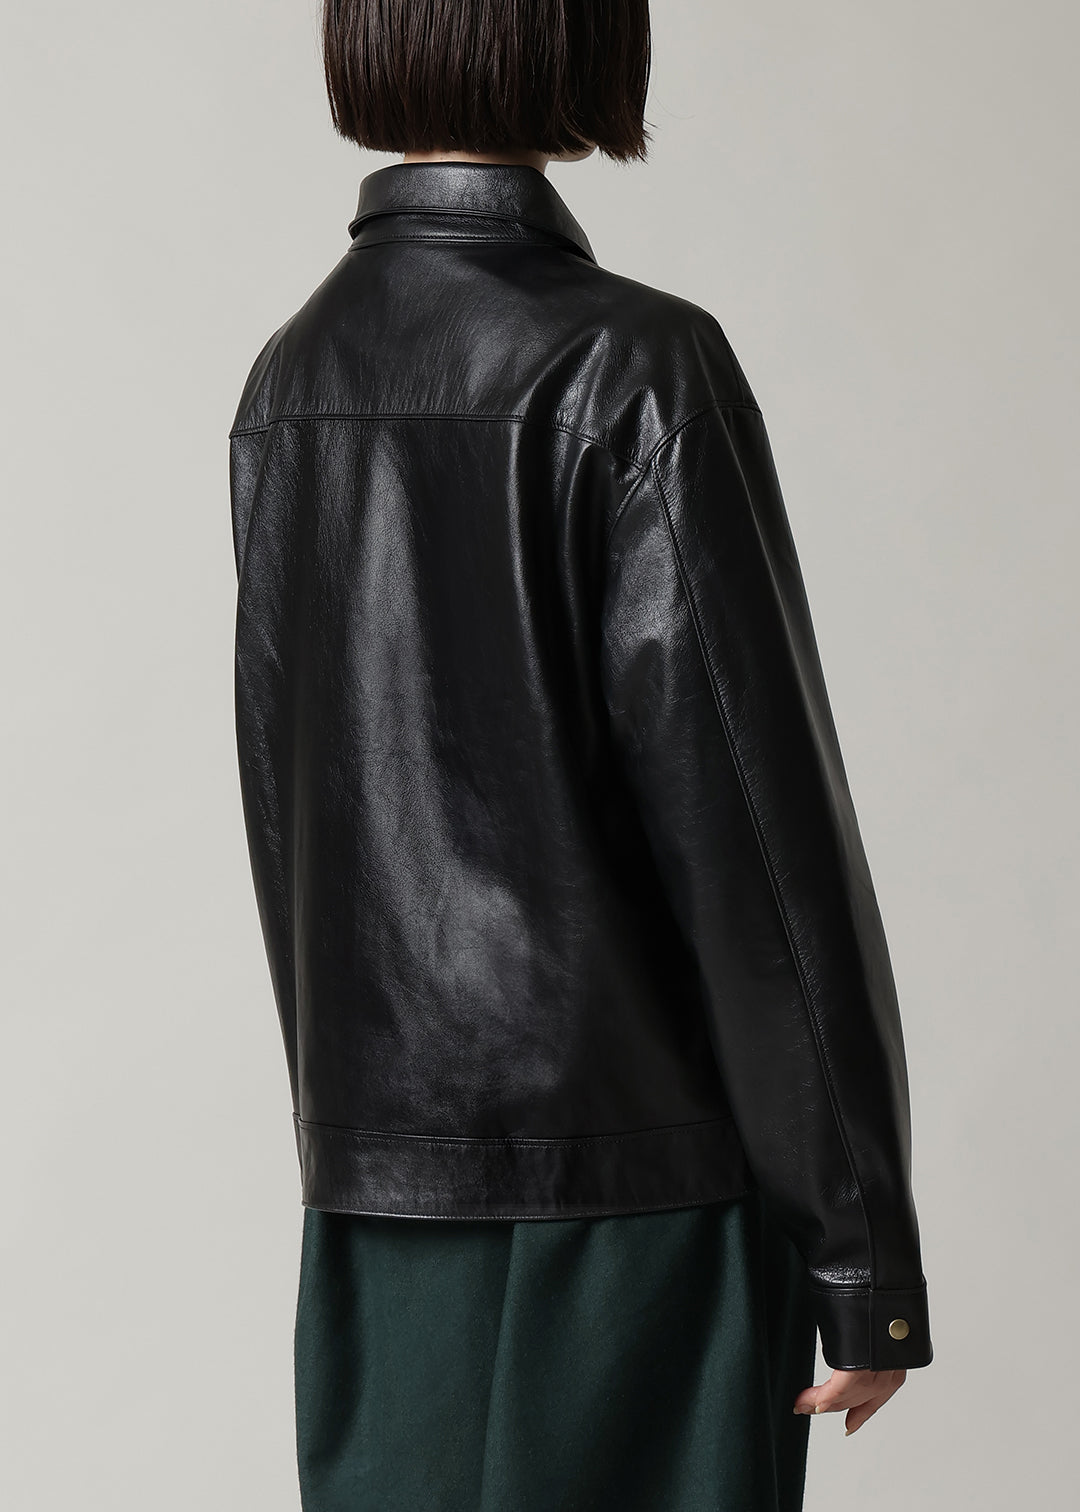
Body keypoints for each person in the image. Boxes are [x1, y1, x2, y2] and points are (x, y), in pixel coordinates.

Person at [228, 3, 934, 1507]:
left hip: (377, 1220)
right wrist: (861, 1252)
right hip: (642, 1213)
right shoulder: (637, 368)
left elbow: (298, 815)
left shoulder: (288, 385)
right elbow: (755, 835)